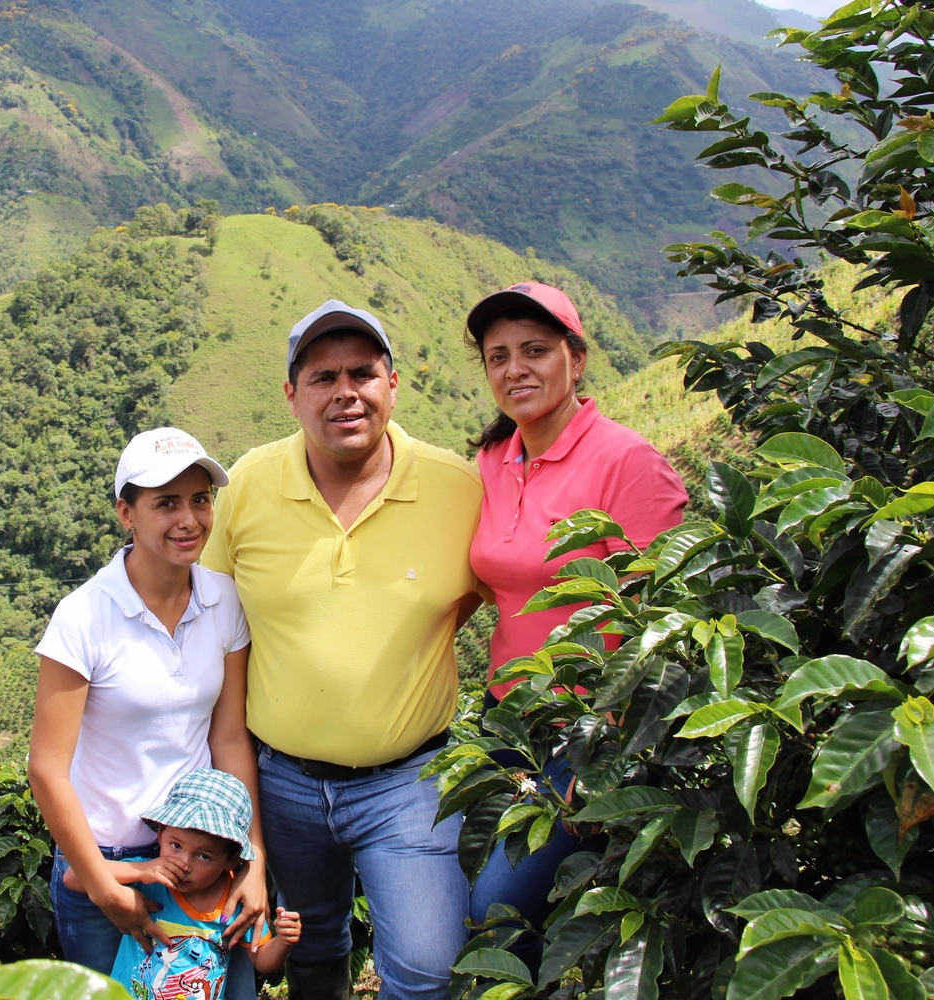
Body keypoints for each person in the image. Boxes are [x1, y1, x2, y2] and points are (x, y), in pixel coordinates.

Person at [202, 300, 486, 1000]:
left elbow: (486, 592)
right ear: (292, 395)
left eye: (363, 372)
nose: (345, 392)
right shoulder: (248, 487)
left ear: (393, 383)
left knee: (424, 967)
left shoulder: (457, 487)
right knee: (312, 939)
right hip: (282, 780)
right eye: (323, 376)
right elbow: (207, 623)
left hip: (409, 781)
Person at [464, 282, 688, 969]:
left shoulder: (626, 463)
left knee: (497, 905)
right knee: (455, 890)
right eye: (498, 356)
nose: (515, 369)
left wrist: (612, 742)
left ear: (577, 358)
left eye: (535, 351)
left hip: (593, 732)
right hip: (507, 720)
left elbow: (667, 618)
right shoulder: (492, 462)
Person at [28, 427, 267, 988]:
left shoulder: (222, 599)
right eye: (166, 503)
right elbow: (47, 768)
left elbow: (228, 739)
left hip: (202, 859)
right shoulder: (84, 617)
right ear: (126, 513)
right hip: (105, 859)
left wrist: (252, 859)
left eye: (200, 500)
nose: (189, 519)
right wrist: (108, 888)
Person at [62, 768, 303, 1000]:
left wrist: (282, 941)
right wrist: (140, 870)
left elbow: (261, 960)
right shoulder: (150, 879)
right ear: (160, 834)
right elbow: (73, 877)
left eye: (203, 856)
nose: (184, 864)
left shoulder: (235, 901)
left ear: (231, 860)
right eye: (176, 846)